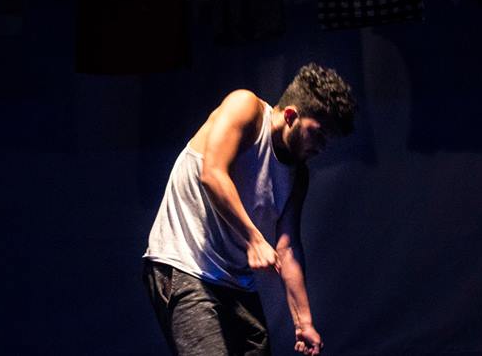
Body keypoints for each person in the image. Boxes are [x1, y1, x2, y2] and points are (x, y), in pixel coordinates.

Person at [143, 63, 357, 355]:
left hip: (234, 283)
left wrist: (304, 321)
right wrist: (254, 240)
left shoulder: (298, 175)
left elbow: (288, 247)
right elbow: (213, 174)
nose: (321, 147)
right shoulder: (246, 109)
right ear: (291, 116)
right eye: (318, 134)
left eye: (327, 141)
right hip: (186, 264)